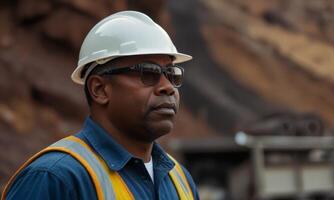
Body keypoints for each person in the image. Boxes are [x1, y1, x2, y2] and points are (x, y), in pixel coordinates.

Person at [2, 11, 199, 200]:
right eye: (148, 73)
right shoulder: (56, 178)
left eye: (172, 74)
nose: (167, 87)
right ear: (100, 89)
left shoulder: (179, 179)